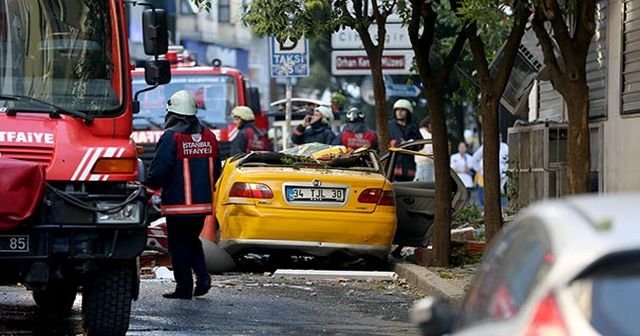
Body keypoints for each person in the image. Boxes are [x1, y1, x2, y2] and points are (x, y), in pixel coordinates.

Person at [146, 90, 221, 300]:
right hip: (202, 205)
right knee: (192, 241)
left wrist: (146, 192)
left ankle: (184, 287)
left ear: (172, 114)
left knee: (178, 246)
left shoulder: (172, 137)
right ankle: (203, 278)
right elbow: (216, 169)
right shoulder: (209, 136)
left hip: (178, 205)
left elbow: (159, 170)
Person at [471, 135, 509, 207]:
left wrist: (504, 174)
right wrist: (480, 170)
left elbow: (508, 162)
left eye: (500, 137)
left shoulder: (505, 147)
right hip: (488, 177)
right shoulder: (486, 146)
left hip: (502, 178)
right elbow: (475, 159)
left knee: (502, 198)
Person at [389, 99, 422, 181]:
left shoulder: (413, 127)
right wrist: (398, 143)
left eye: (402, 110)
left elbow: (421, 144)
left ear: (408, 112)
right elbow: (382, 142)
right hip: (393, 166)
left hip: (409, 167)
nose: (399, 112)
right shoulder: (389, 126)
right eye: (397, 110)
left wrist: (411, 145)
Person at [414, 117, 433, 182]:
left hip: (419, 163)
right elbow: (430, 151)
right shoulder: (428, 136)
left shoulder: (418, 132)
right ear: (429, 124)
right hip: (426, 164)